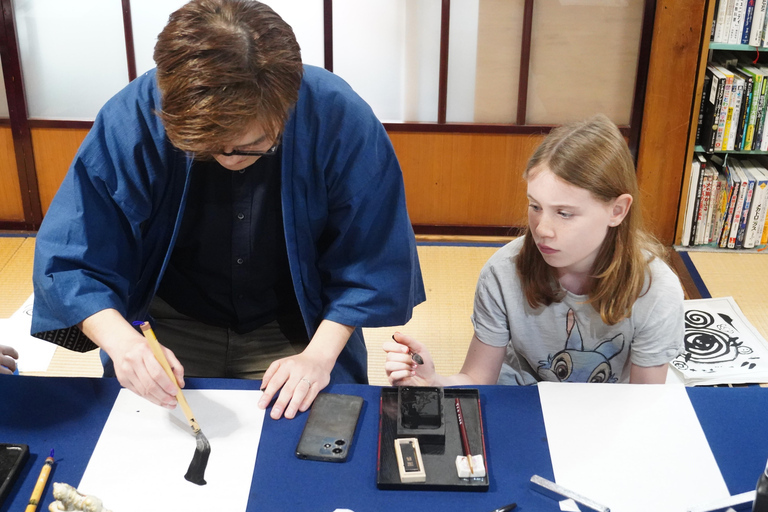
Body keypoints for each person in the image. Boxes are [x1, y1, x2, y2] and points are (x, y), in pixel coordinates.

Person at [32, 0, 425, 420]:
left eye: (249, 146)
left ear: (285, 105)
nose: (228, 159)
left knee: (324, 436)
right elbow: (72, 255)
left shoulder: (336, 115)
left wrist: (317, 357)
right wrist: (123, 344)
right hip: (166, 322)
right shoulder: (137, 115)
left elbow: (370, 257)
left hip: (300, 322)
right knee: (143, 439)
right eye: (206, 147)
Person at [384, 114, 683, 387]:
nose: (542, 229)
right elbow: (477, 378)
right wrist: (432, 381)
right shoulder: (502, 272)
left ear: (617, 210)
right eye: (535, 206)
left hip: (610, 412)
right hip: (522, 400)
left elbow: (645, 402)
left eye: (564, 213)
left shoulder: (656, 290)